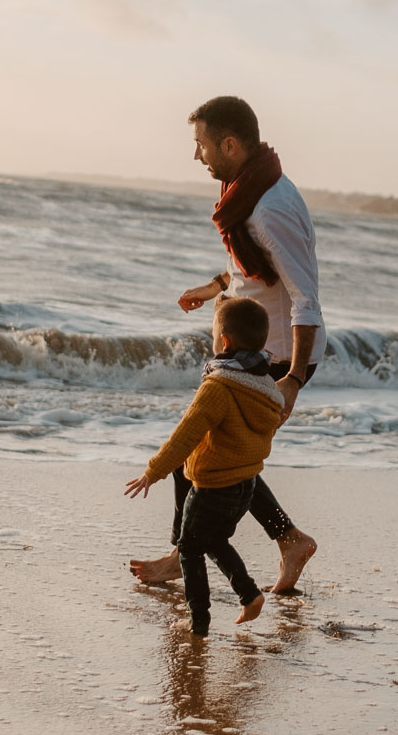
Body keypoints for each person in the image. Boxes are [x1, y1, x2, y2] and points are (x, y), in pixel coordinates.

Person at [129, 96, 325, 593]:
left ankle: (185, 552)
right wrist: (215, 287)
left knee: (205, 450)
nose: (199, 157)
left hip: (273, 354)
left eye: (202, 145)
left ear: (231, 144)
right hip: (257, 348)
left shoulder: (269, 207)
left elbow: (305, 299)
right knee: (226, 457)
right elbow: (256, 268)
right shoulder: (255, 186)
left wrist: (294, 380)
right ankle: (287, 541)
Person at [124, 297, 279, 635]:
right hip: (246, 486)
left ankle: (198, 622)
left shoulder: (220, 386)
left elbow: (186, 434)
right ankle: (249, 595)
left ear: (224, 342)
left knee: (190, 548)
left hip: (213, 487)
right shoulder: (265, 386)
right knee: (214, 541)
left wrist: (154, 470)